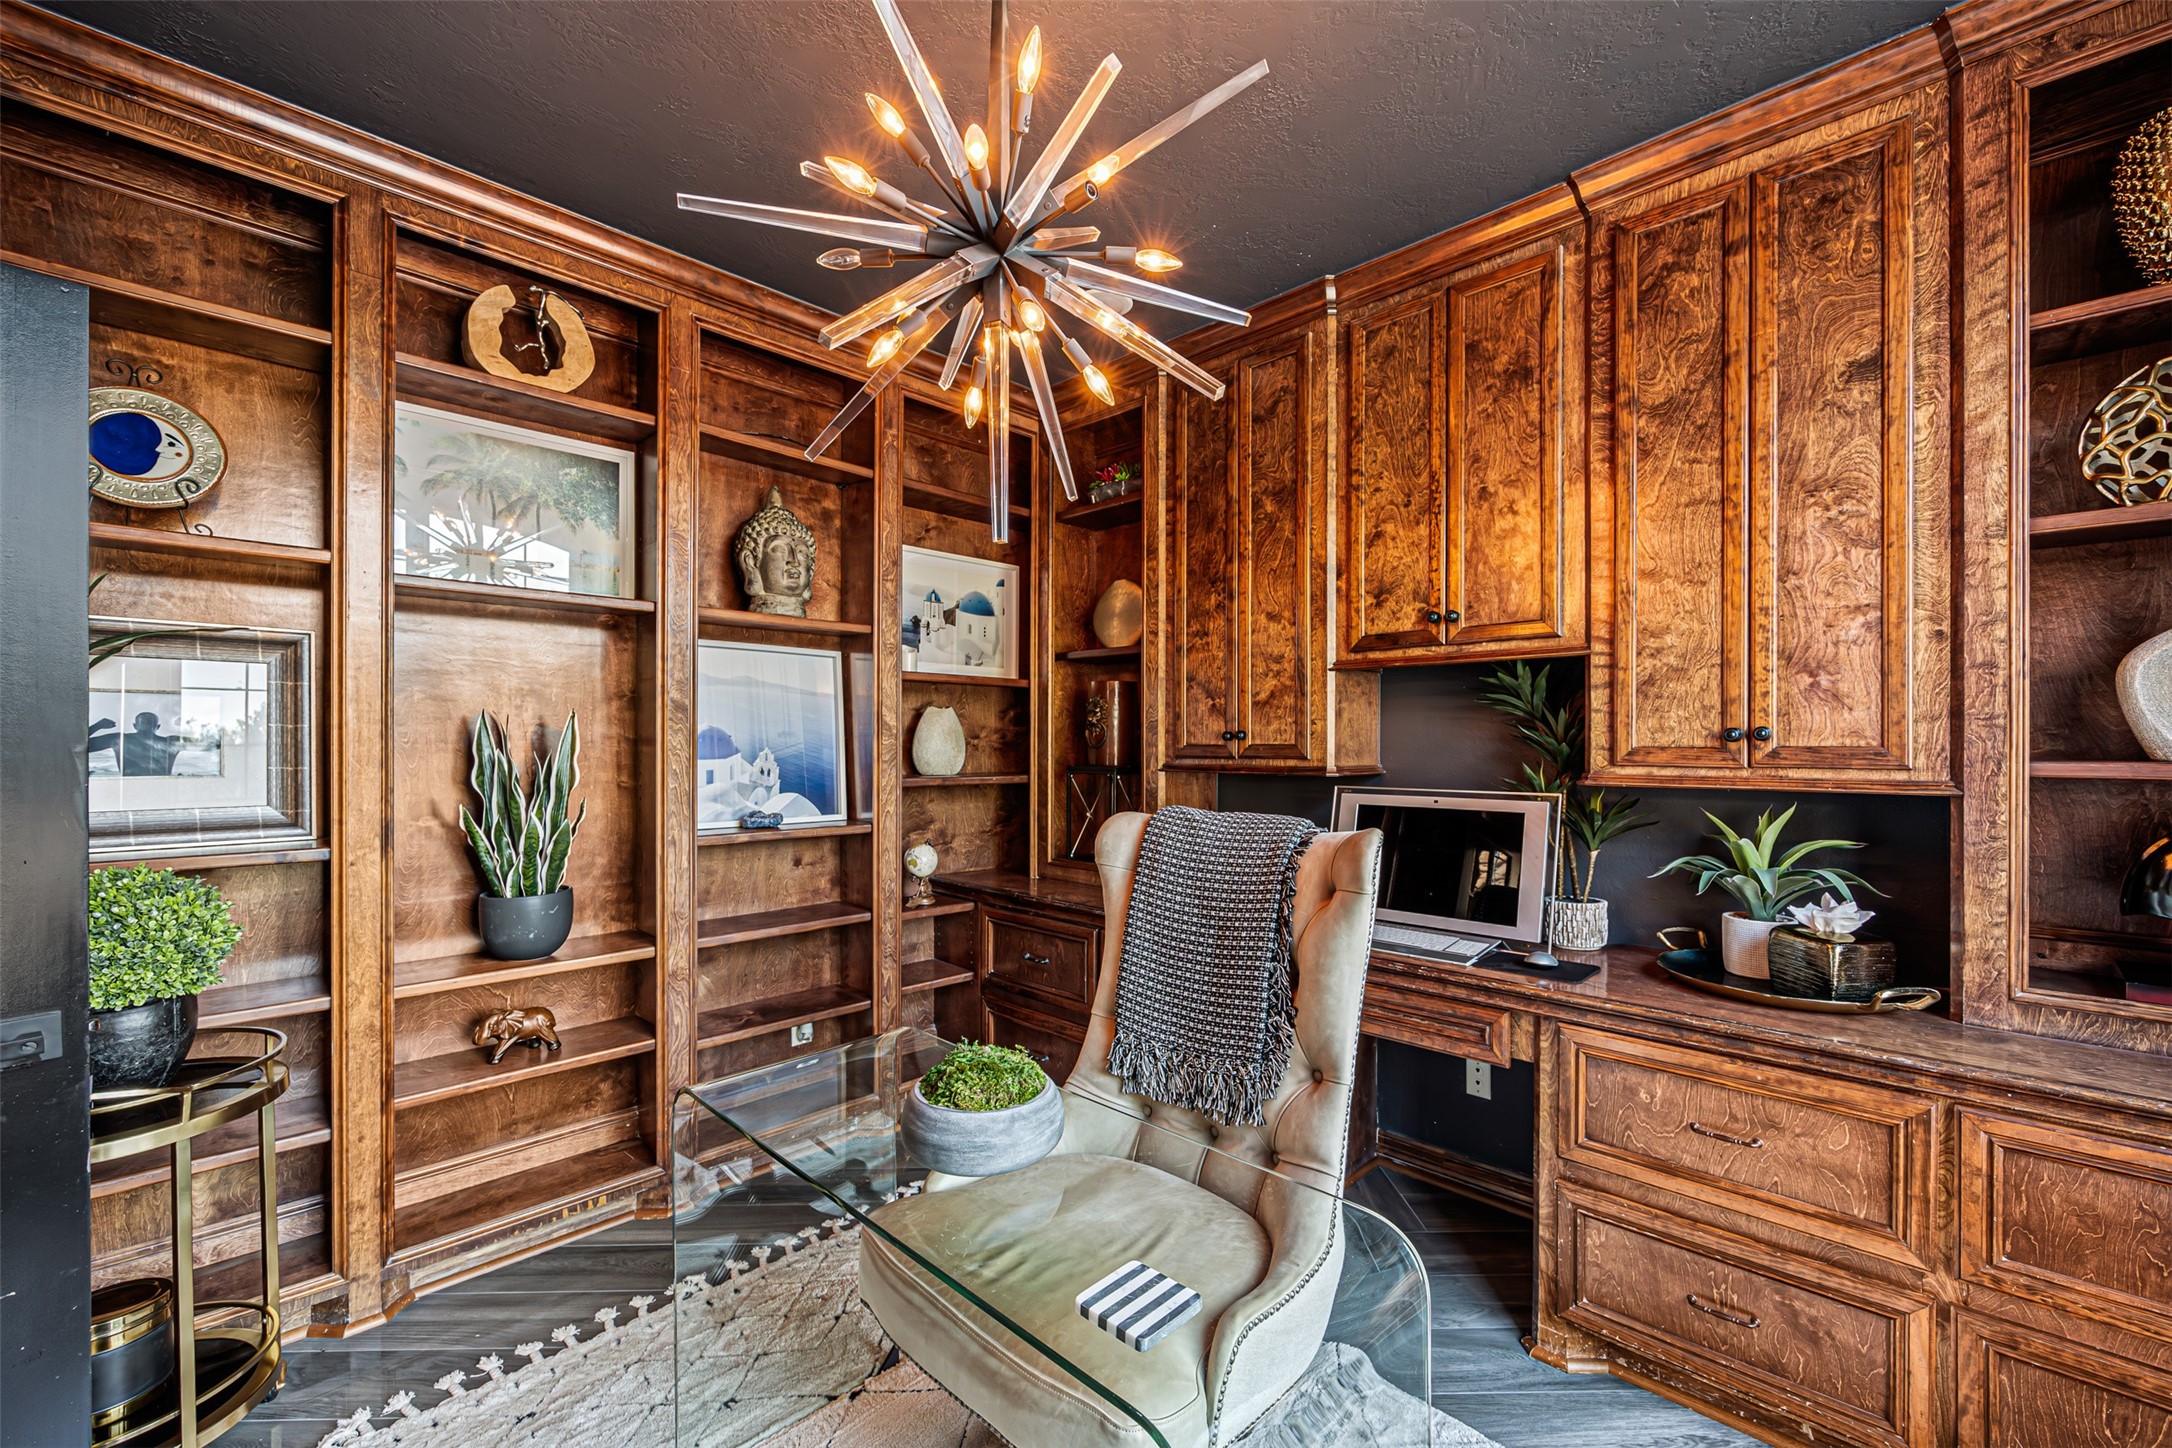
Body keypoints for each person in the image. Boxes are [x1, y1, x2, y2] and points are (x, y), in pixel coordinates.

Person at [88, 710, 182, 776]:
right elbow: (197, 743)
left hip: (129, 788)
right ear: (158, 726)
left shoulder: (118, 739)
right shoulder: (171, 742)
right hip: (162, 789)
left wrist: (97, 726)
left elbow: (79, 745)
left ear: (134, 725)